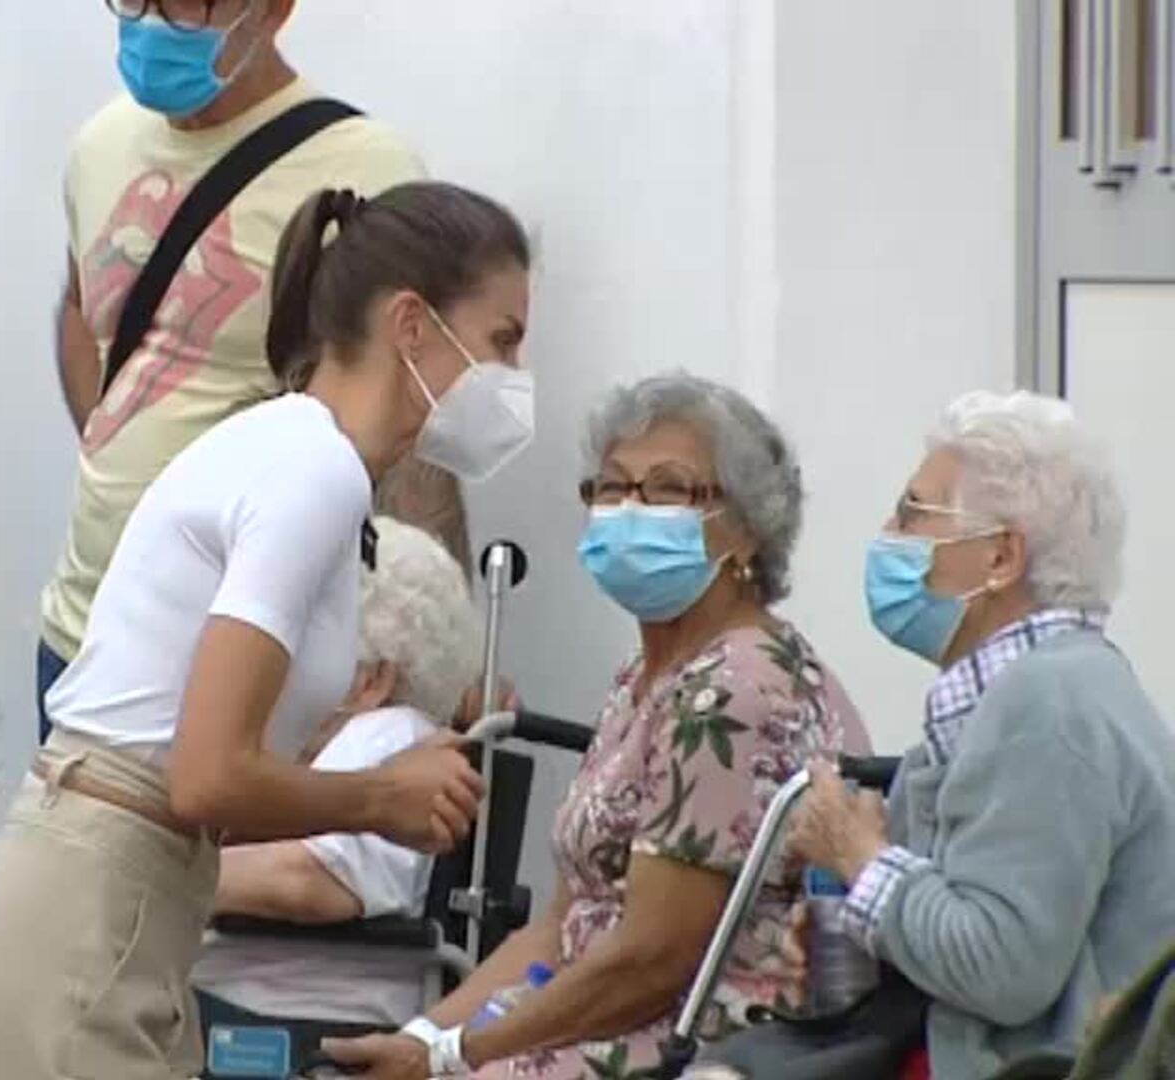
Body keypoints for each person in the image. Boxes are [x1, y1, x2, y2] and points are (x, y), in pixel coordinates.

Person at [0, 179, 533, 1079]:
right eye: (503, 342)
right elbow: (209, 777)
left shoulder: (288, 450)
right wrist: (380, 798)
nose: (515, 380)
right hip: (90, 933)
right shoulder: (312, 470)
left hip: (111, 917)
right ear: (412, 325)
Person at [327, 373, 871, 1079]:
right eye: (611, 488)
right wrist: (423, 1038)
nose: (627, 510)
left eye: (668, 489)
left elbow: (653, 959)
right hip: (585, 1020)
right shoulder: (643, 681)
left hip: (692, 1047)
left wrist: (453, 1058)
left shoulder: (736, 692)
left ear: (745, 527)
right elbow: (564, 924)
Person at [37, 0, 471, 741]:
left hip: (242, 655)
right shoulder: (99, 145)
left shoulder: (364, 168)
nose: (146, 20)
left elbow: (408, 407)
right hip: (81, 627)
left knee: (239, 861)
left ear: (272, 11)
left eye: (182, 1)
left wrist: (442, 650)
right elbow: (83, 311)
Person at [784, 390, 1175, 1080]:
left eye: (913, 514)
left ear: (1001, 558)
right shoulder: (1042, 690)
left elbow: (1003, 972)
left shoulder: (1051, 703)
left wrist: (860, 857)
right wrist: (862, 929)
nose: (886, 534)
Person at [194, 515, 484, 1041]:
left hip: (280, 1016)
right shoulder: (334, 748)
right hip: (235, 1002)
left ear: (371, 681)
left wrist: (156, 876)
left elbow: (309, 881)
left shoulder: (388, 736)